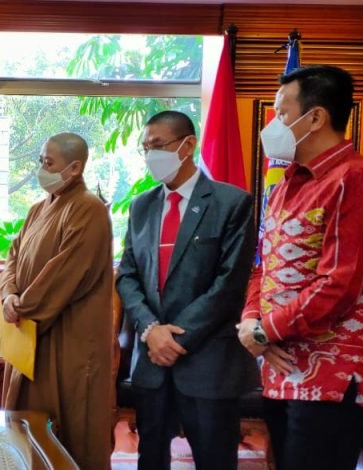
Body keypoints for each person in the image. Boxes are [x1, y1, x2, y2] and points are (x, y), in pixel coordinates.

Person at [237, 65, 363, 470]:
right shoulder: (284, 185)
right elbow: (262, 265)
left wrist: (264, 331)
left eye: (281, 113)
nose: (273, 124)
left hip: (332, 376)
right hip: (279, 366)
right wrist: (252, 322)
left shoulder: (358, 179)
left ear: (315, 118)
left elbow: (340, 284)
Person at [116, 110, 258, 470]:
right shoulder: (141, 207)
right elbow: (128, 275)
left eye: (157, 145)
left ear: (188, 145)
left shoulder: (232, 203)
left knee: (214, 461)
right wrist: (151, 330)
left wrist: (175, 338)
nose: (150, 155)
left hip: (208, 362)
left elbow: (229, 283)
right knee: (150, 460)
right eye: (145, 148)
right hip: (152, 361)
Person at [0, 132, 113, 470]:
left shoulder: (89, 209)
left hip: (68, 340)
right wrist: (8, 294)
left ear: (74, 168)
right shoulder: (38, 209)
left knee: (71, 430)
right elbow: (12, 257)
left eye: (48, 163)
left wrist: (22, 307)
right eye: (41, 161)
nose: (41, 170)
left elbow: (66, 273)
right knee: (27, 428)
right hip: (28, 331)